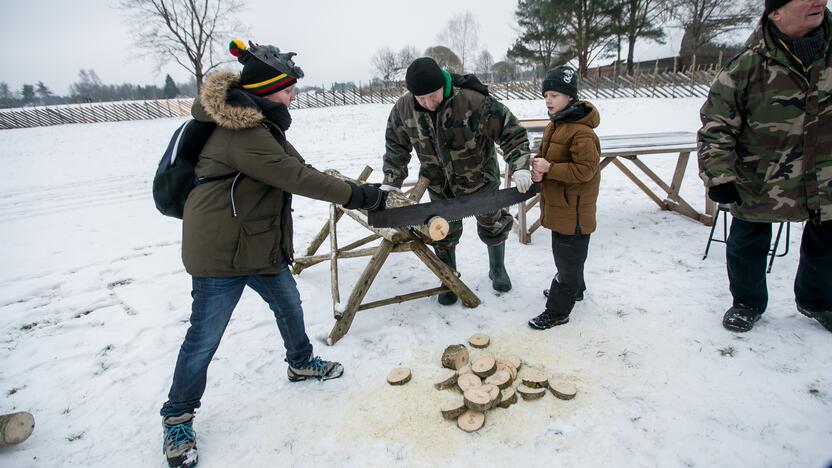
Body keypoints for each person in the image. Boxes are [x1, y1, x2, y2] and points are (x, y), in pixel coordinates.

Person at [159, 40, 387, 468]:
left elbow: (300, 167)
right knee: (204, 336)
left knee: (288, 303)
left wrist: (350, 187)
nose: (293, 97)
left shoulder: (259, 125)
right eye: (288, 90)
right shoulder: (240, 132)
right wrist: (360, 196)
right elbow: (294, 176)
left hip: (257, 241)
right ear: (266, 90)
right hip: (220, 252)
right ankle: (178, 415)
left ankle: (300, 363)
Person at [698, 0, 832, 333]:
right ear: (776, 12)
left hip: (827, 176)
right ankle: (747, 301)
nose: (819, 1)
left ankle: (818, 301)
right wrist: (719, 174)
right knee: (747, 242)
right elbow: (716, 124)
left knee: (827, 241)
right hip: (761, 178)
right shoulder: (746, 66)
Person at [381, 57, 533, 304]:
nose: (429, 104)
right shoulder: (403, 109)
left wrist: (520, 166)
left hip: (481, 180)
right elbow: (396, 148)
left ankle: (497, 269)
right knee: (442, 231)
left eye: (433, 96)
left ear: (444, 84)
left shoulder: (473, 101)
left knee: (493, 225)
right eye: (422, 99)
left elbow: (511, 134)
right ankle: (448, 277)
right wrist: (391, 182)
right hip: (440, 185)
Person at [526, 66, 601, 330]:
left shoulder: (581, 132)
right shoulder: (556, 124)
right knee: (567, 258)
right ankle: (576, 290)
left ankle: (558, 311)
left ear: (570, 96)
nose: (548, 99)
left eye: (555, 94)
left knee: (567, 263)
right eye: (546, 94)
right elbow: (549, 159)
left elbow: (586, 170)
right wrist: (539, 169)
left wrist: (550, 169)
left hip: (575, 213)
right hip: (561, 208)